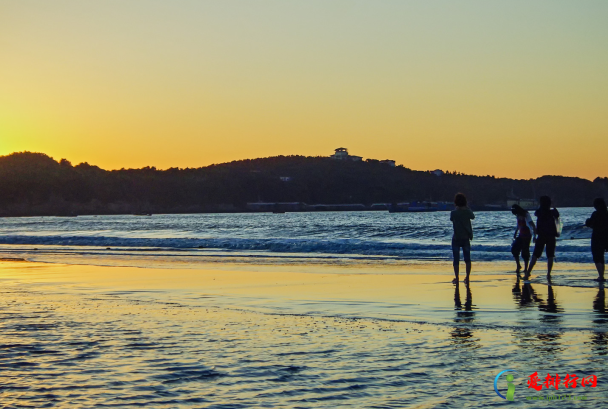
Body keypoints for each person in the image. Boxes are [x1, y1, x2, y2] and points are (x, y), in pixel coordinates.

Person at [526, 196, 559, 278]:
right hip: (551, 236)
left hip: (541, 235)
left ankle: (528, 272)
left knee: (535, 254)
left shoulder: (539, 212)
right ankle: (548, 274)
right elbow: (557, 217)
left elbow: (536, 213)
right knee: (550, 255)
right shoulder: (552, 212)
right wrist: (553, 205)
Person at [450, 193, 475, 284]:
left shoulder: (454, 213)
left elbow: (451, 219)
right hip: (466, 237)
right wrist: (467, 208)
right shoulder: (467, 211)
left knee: (456, 259)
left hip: (456, 237)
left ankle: (457, 278)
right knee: (467, 259)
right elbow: (473, 216)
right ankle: (467, 277)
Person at [585, 198, 608, 282]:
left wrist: (587, 222)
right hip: (605, 237)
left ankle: (601, 276)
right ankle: (602, 275)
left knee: (596, 256)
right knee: (601, 257)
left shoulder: (596, 214)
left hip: (597, 236)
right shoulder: (606, 213)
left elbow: (590, 223)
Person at [511, 204, 536, 273]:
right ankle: (518, 265)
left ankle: (526, 268)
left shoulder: (526, 214)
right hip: (521, 235)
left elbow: (532, 225)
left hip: (527, 235)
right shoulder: (518, 216)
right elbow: (518, 226)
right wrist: (515, 234)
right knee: (514, 249)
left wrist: (535, 236)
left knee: (525, 251)